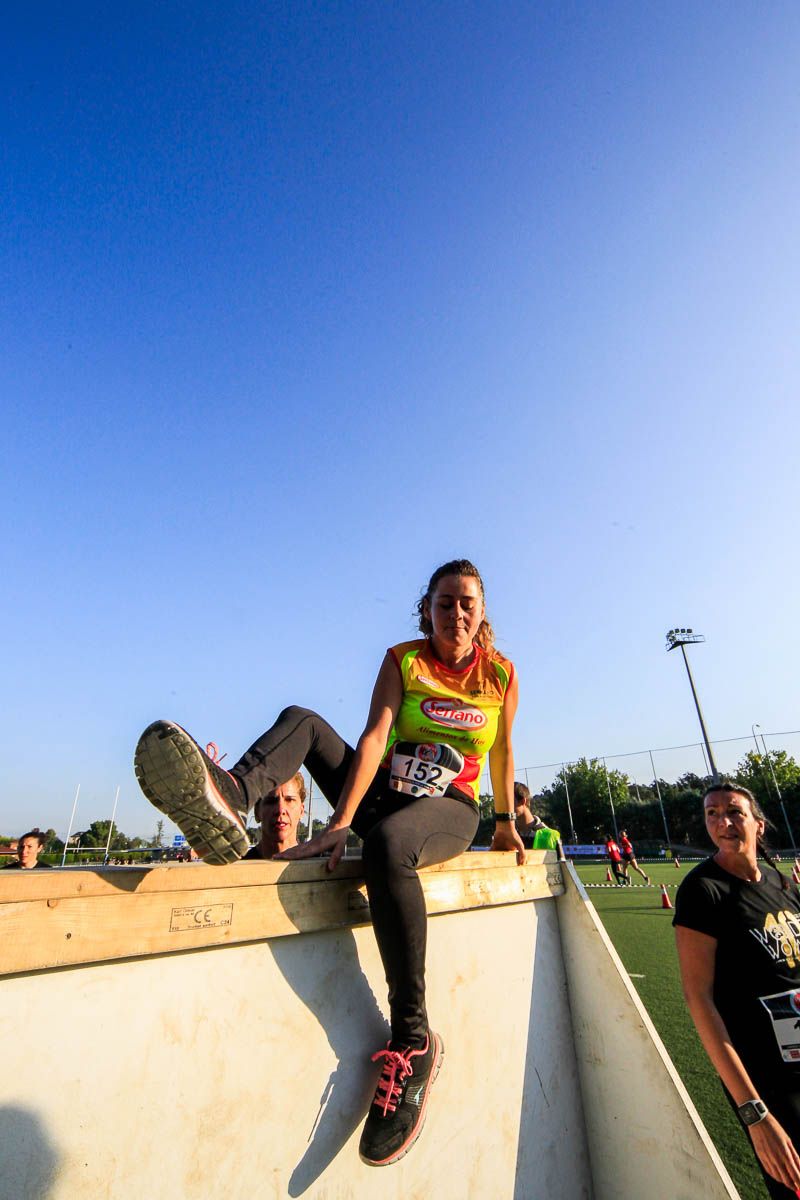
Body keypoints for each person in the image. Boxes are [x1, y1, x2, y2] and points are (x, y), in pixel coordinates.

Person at [134, 559, 524, 1167]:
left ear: (482, 611)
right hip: (384, 797)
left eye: (467, 603)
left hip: (451, 806)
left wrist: (505, 824)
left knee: (392, 844)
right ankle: (233, 796)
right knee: (307, 723)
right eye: (444, 602)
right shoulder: (404, 659)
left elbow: (502, 750)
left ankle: (413, 1042)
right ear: (428, 607)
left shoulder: (500, 675)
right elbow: (373, 739)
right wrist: (342, 821)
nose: (456, 613)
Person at [674, 782, 800, 1198]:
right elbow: (699, 999)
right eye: (712, 814)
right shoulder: (702, 891)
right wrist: (755, 1113)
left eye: (734, 812)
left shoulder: (783, 885)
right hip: (772, 1086)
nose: (722, 822)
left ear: (758, 824)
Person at [243, 774, 306, 859]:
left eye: (289, 800)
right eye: (271, 801)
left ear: (301, 811)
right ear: (257, 812)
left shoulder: (318, 864)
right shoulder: (236, 868)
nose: (280, 810)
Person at [513, 784, 560, 851]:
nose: (505, 807)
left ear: (523, 801)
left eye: (509, 802)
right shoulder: (508, 838)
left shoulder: (550, 836)